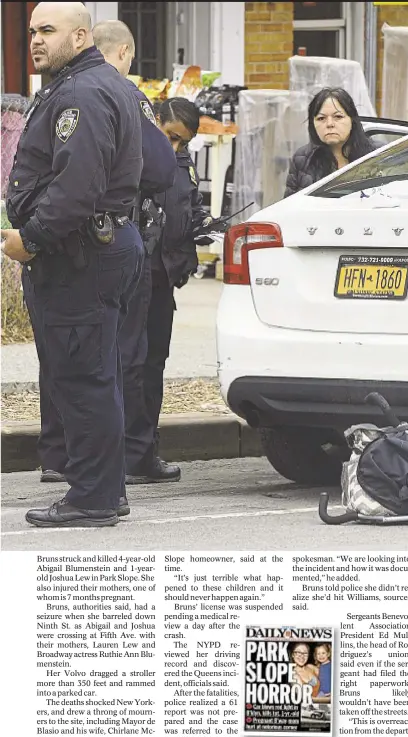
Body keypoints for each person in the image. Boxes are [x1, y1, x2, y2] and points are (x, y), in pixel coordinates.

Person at [2, 2, 143, 527]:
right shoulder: (90, 85)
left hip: (79, 253)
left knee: (83, 378)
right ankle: (104, 489)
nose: (35, 39)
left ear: (81, 35)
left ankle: (93, 497)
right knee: (91, 375)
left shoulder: (81, 94)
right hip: (93, 247)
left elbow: (77, 186)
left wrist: (32, 240)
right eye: (32, 30)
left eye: (48, 31)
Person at [36, 19, 178, 489]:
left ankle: (62, 456)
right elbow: (160, 167)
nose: (36, 39)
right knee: (113, 359)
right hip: (101, 238)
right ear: (125, 54)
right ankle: (118, 468)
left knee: (67, 355)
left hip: (63, 246)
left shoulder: (58, 93)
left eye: (45, 30)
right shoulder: (117, 90)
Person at [126, 97, 213, 484]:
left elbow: (188, 207)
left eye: (184, 142)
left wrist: (206, 225)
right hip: (131, 273)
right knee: (128, 365)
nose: (175, 148)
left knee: (153, 365)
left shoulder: (182, 163)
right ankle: (124, 454)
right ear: (155, 121)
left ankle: (145, 452)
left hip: (164, 275)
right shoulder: (133, 153)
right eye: (171, 137)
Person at [284, 87, 376, 197]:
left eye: (338, 117)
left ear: (352, 120)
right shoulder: (302, 158)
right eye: (321, 118)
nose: (329, 124)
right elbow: (289, 207)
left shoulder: (379, 155)